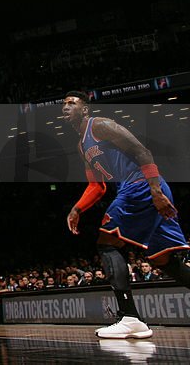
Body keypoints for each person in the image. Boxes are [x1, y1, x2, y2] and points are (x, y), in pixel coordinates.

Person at [63, 90, 190, 339]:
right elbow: (97, 186)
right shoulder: (82, 145)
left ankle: (129, 317)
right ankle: (130, 318)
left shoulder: (100, 125)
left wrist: (155, 191)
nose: (65, 107)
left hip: (141, 185)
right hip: (139, 189)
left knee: (107, 242)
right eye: (63, 104)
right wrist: (77, 208)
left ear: (85, 109)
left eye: (72, 103)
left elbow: (142, 151)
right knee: (162, 260)